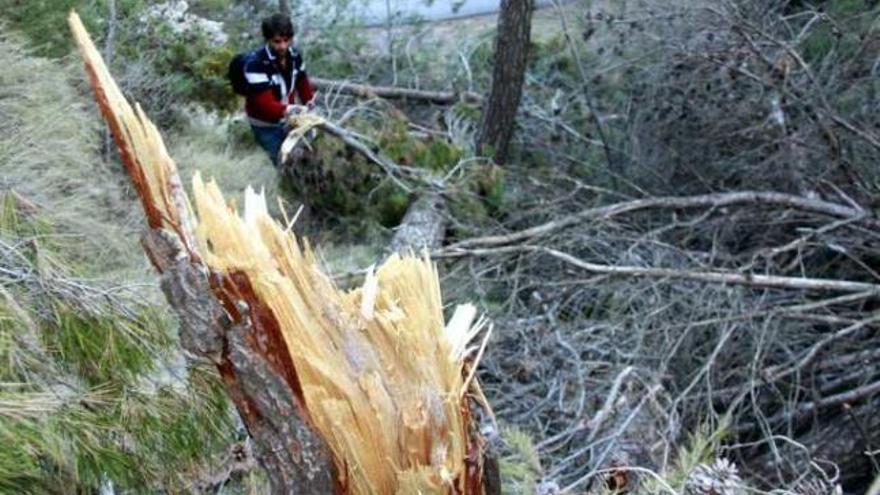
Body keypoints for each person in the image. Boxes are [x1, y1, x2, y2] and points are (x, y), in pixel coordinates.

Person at [243, 14, 315, 165]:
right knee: (282, 164)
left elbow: (302, 83)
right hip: (265, 125)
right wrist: (294, 109)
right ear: (268, 40)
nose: (282, 46)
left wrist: (310, 104)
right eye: (277, 41)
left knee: (304, 159)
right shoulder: (255, 64)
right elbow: (266, 106)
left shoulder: (295, 56)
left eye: (286, 40)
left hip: (287, 120)